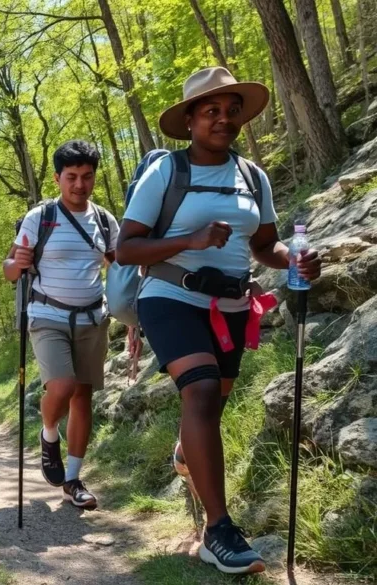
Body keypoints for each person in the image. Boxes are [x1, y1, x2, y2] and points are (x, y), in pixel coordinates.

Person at [116, 67, 321, 575]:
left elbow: (264, 245)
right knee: (202, 392)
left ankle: (187, 454)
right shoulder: (166, 172)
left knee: (212, 402)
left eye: (232, 110)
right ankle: (219, 530)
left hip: (231, 305)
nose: (223, 119)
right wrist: (190, 240)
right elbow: (126, 247)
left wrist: (293, 259)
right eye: (211, 111)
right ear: (189, 120)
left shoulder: (253, 176)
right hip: (169, 296)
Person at [3, 140, 119, 511]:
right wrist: (17, 262)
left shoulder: (104, 220)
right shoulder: (40, 217)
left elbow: (118, 268)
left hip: (93, 317)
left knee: (83, 397)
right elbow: (9, 272)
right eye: (71, 177)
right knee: (64, 386)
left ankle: (72, 481)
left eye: (87, 177)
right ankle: (48, 432)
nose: (79, 185)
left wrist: (131, 312)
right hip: (47, 315)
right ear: (57, 178)